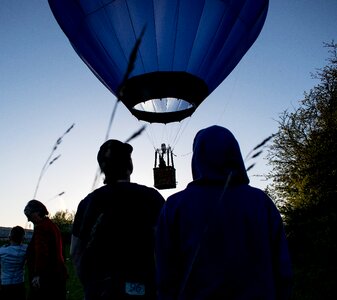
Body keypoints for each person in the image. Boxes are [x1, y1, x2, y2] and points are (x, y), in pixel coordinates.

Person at [155, 125, 293, 300]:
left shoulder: (175, 206)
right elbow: (283, 268)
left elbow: (166, 273)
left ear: (197, 157)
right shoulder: (261, 202)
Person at [71, 139, 165, 300]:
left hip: (100, 291)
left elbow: (75, 252)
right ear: (130, 166)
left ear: (102, 168)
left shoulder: (88, 203)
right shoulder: (152, 198)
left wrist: (90, 285)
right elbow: (165, 247)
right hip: (143, 290)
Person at [24, 199, 68, 300]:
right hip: (57, 275)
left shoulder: (42, 228)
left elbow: (42, 253)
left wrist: (38, 274)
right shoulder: (52, 226)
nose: (28, 220)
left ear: (38, 212)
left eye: (29, 216)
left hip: (47, 278)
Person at [0, 226, 27, 300]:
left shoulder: (2, 251)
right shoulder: (25, 249)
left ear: (10, 237)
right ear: (22, 238)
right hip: (19, 283)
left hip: (5, 283)